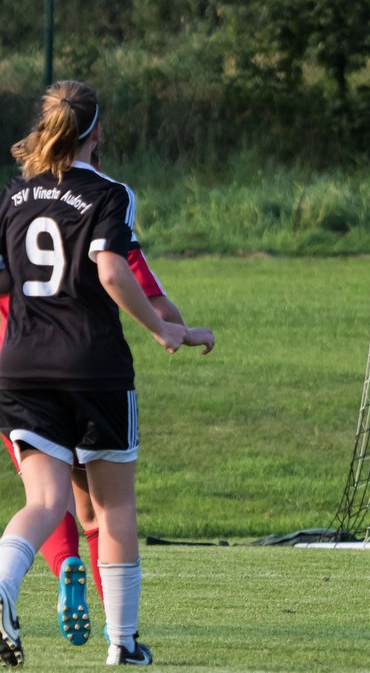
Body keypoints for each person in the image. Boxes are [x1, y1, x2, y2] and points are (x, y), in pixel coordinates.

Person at [0, 80, 212, 667]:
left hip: (19, 370)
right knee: (113, 509)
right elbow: (115, 272)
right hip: (92, 369)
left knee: (45, 501)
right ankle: (123, 643)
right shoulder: (109, 193)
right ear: (96, 131)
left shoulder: (13, 196)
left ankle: (2, 585)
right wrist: (164, 330)